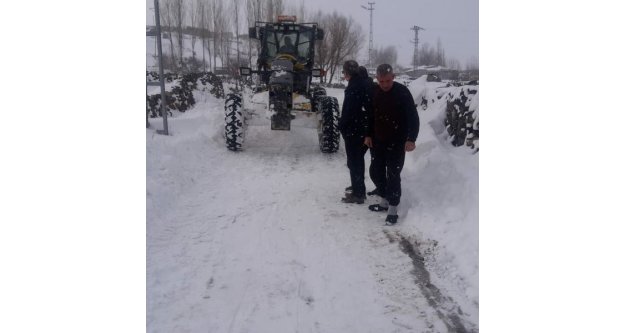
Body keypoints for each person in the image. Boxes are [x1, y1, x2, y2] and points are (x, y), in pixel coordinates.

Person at [364, 64, 420, 225]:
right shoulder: (375, 92)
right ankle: (384, 200)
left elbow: (413, 117)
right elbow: (371, 115)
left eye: (387, 81)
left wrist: (411, 138)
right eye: (381, 81)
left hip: (397, 141)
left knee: (393, 174)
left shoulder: (402, 92)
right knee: (375, 171)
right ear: (377, 80)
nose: (385, 85)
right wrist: (368, 134)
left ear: (393, 77)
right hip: (378, 140)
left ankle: (393, 209)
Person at [339, 60, 373, 204]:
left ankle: (358, 194)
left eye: (344, 72)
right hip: (363, 129)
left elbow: (350, 111)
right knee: (356, 160)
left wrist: (342, 125)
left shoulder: (355, 87)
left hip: (355, 130)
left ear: (347, 73)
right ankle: (357, 187)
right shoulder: (364, 83)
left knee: (355, 161)